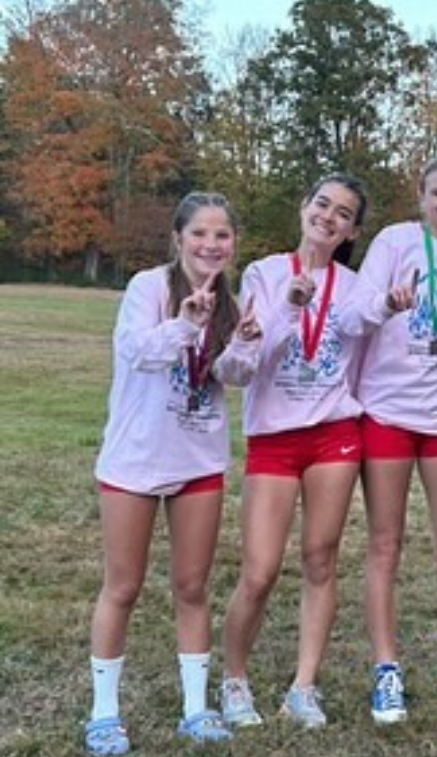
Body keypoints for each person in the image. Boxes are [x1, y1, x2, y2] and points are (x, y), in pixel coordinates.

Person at [85, 192, 261, 755]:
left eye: (223, 235)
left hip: (197, 459)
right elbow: (138, 352)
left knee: (191, 585)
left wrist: (246, 347)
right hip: (135, 458)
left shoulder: (233, 301)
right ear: (179, 239)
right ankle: (104, 713)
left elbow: (229, 376)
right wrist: (185, 325)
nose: (212, 245)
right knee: (124, 585)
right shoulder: (148, 288)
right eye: (201, 234)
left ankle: (196, 707)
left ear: (234, 243)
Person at [341, 154, 437, 724]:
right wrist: (387, 303)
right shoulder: (396, 242)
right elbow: (353, 319)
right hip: (387, 416)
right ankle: (387, 670)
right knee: (385, 546)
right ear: (421, 197)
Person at [219, 173, 369, 730]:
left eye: (343, 212)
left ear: (352, 229)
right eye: (321, 203)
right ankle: (234, 679)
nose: (329, 216)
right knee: (259, 572)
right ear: (305, 207)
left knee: (320, 561)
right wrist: (288, 306)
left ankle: (304, 687)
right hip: (274, 438)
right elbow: (243, 366)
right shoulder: (262, 273)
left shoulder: (354, 286)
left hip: (334, 434)